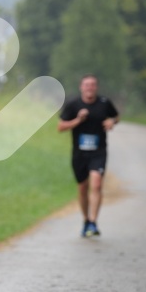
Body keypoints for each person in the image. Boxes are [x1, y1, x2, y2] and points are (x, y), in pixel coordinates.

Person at [58, 75, 119, 237]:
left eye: (92, 85)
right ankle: (86, 220)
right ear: (81, 87)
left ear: (96, 87)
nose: (89, 88)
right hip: (79, 153)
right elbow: (61, 127)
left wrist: (112, 122)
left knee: (97, 184)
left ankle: (93, 221)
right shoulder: (73, 104)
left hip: (98, 151)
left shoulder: (104, 103)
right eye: (86, 85)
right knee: (83, 187)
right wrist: (78, 120)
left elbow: (116, 116)